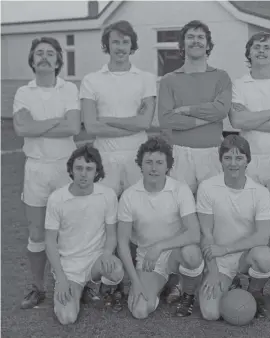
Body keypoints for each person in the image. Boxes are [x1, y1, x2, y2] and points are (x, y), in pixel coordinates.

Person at [80, 20, 157, 307]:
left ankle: (137, 279)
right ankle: (105, 280)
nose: (120, 47)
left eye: (125, 42)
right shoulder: (92, 79)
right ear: (107, 45)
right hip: (105, 159)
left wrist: (107, 120)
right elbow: (90, 125)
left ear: (132, 45)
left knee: (137, 220)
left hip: (138, 158)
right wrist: (130, 124)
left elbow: (145, 122)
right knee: (104, 220)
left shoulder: (145, 78)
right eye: (115, 42)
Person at [12, 37, 81, 309]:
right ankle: (38, 288)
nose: (44, 57)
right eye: (39, 53)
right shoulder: (23, 92)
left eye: (50, 53)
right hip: (36, 168)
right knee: (37, 231)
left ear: (58, 60)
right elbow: (22, 130)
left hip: (66, 166)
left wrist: (37, 124)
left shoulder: (69, 89)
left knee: (70, 230)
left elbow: (74, 127)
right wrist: (56, 121)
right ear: (32, 60)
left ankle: (77, 282)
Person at [117, 137, 204, 319]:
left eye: (159, 162)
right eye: (148, 162)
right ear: (140, 165)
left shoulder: (180, 189)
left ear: (168, 166)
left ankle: (187, 292)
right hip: (148, 260)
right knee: (140, 311)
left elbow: (194, 233)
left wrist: (159, 247)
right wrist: (135, 282)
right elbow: (123, 245)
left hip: (175, 254)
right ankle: (166, 283)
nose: (154, 168)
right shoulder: (129, 196)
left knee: (192, 253)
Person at [197, 135, 270, 320]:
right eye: (228, 158)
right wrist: (214, 272)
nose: (233, 163)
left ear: (248, 160)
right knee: (210, 314)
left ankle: (255, 291)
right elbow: (205, 233)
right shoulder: (207, 187)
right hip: (218, 260)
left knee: (264, 257)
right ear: (221, 160)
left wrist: (226, 249)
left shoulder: (260, 192)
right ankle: (229, 283)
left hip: (245, 256)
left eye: (239, 158)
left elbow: (263, 237)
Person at [44, 145, 124, 325]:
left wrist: (106, 254)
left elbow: (112, 235)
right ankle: (77, 289)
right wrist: (62, 278)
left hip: (95, 259)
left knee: (116, 270)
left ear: (97, 172)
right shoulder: (57, 199)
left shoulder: (107, 195)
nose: (83, 173)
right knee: (67, 318)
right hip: (69, 266)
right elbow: (49, 242)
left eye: (89, 169)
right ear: (71, 170)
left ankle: (93, 285)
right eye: (79, 168)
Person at [158, 20, 232, 195]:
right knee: (181, 210)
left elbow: (221, 110)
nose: (195, 41)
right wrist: (206, 119)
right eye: (190, 37)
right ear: (182, 44)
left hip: (213, 153)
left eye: (201, 37)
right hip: (180, 155)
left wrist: (186, 110)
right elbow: (166, 119)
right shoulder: (169, 80)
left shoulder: (221, 77)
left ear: (208, 45)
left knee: (213, 207)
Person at [229, 31, 270, 203]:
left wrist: (249, 119)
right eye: (256, 47)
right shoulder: (239, 84)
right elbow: (237, 121)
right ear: (249, 53)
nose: (261, 51)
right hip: (248, 159)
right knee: (249, 210)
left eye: (267, 47)